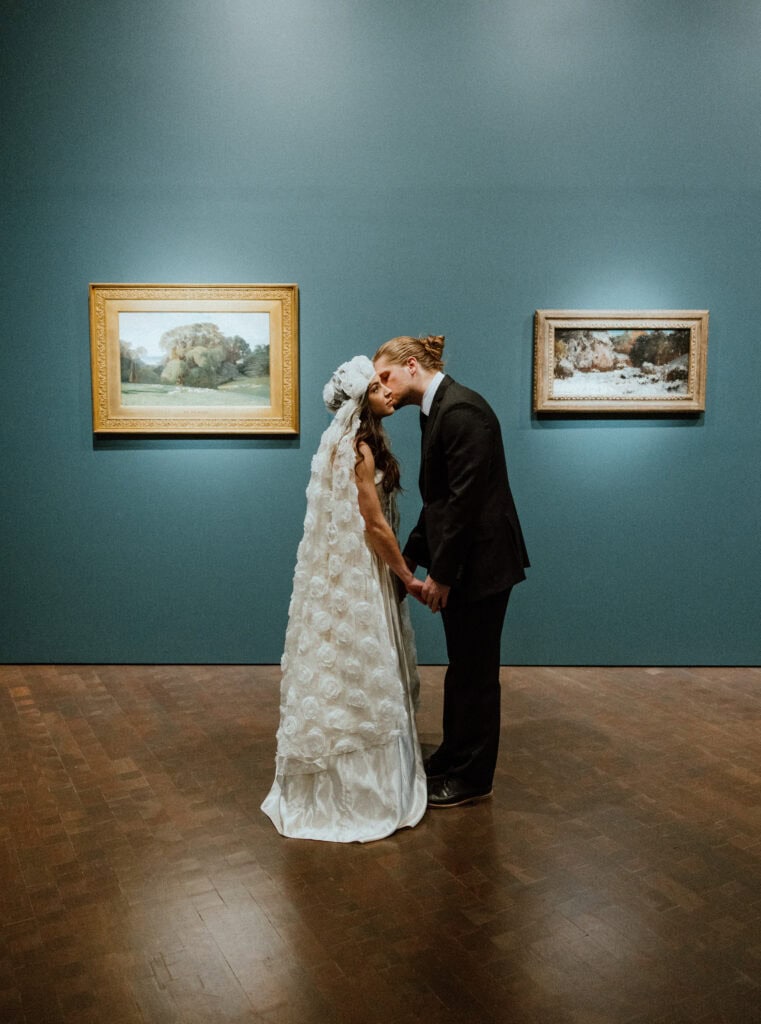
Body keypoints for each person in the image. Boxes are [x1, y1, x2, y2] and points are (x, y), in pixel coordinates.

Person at [261, 355, 428, 842]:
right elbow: (374, 524)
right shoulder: (359, 448)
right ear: (361, 400)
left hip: (341, 571)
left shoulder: (338, 444)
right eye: (378, 387)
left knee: (339, 660)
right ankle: (362, 786)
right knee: (361, 661)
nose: (388, 392)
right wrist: (406, 577)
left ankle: (337, 767)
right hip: (362, 567)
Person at [373, 335, 529, 808]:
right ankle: (455, 755)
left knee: (477, 673)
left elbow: (465, 504)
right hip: (466, 561)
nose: (383, 388)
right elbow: (439, 502)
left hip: (481, 564)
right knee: (462, 668)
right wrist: (410, 563)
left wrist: (439, 574)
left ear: (412, 365)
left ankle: (474, 777)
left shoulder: (461, 412)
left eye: (386, 377)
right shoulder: (437, 411)